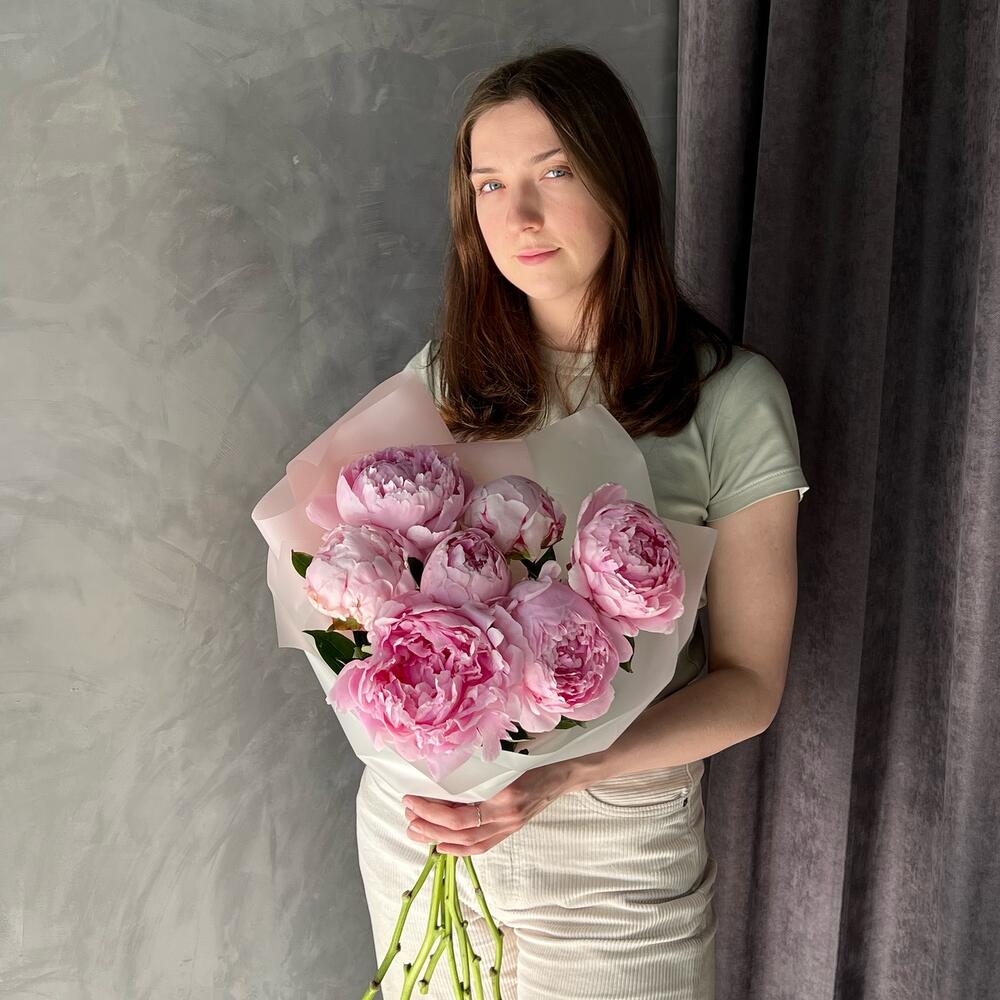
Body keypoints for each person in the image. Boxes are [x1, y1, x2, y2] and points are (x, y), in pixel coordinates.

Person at [355, 44, 809, 1000]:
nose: (517, 216)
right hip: (425, 830)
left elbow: (750, 685)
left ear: (619, 180)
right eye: (490, 184)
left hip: (615, 853)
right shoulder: (443, 378)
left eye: (553, 173)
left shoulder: (730, 398)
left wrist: (564, 773)